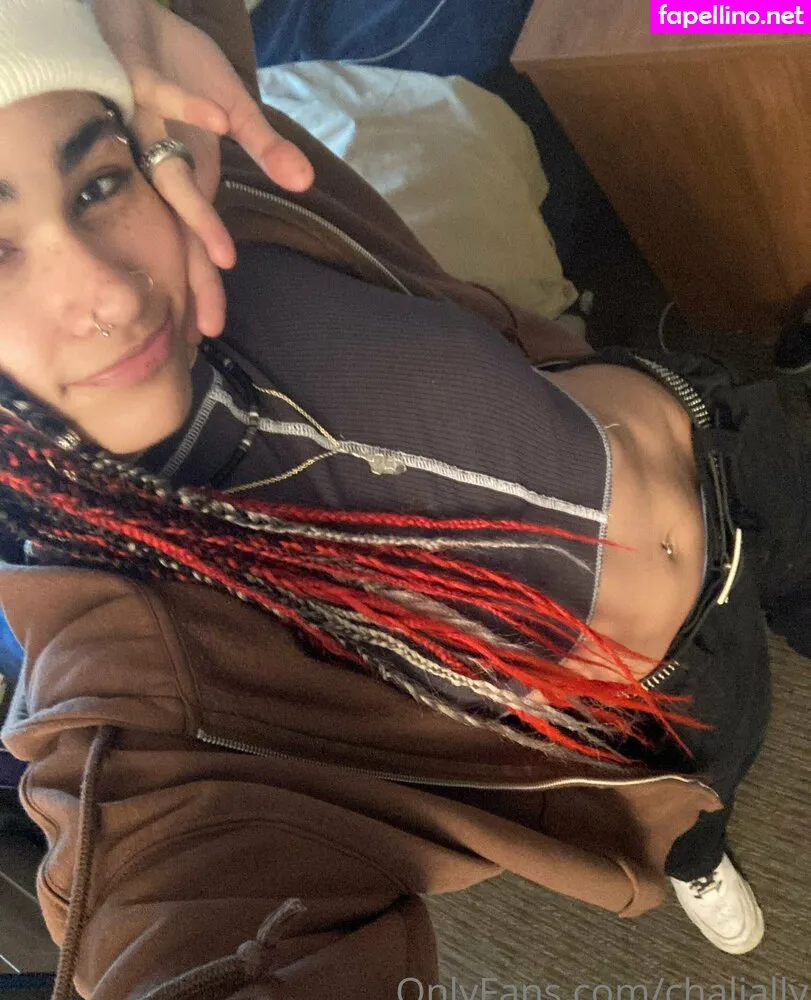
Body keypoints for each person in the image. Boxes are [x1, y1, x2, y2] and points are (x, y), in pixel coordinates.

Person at [0, 0, 807, 996]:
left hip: (713, 423)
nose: (114, 293)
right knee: (709, 786)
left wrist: (130, 14)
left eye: (96, 182)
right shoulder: (129, 682)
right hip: (650, 704)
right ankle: (694, 851)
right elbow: (169, 892)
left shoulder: (215, 180)